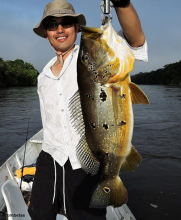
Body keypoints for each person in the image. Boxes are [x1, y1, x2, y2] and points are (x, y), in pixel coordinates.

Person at [28, 0, 148, 219]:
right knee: (39, 214)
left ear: (76, 28)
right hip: (50, 158)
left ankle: (110, 181)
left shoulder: (89, 55)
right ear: (47, 34)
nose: (60, 29)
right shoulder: (42, 76)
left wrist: (122, 4)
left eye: (66, 22)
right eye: (52, 25)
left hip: (82, 161)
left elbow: (136, 39)